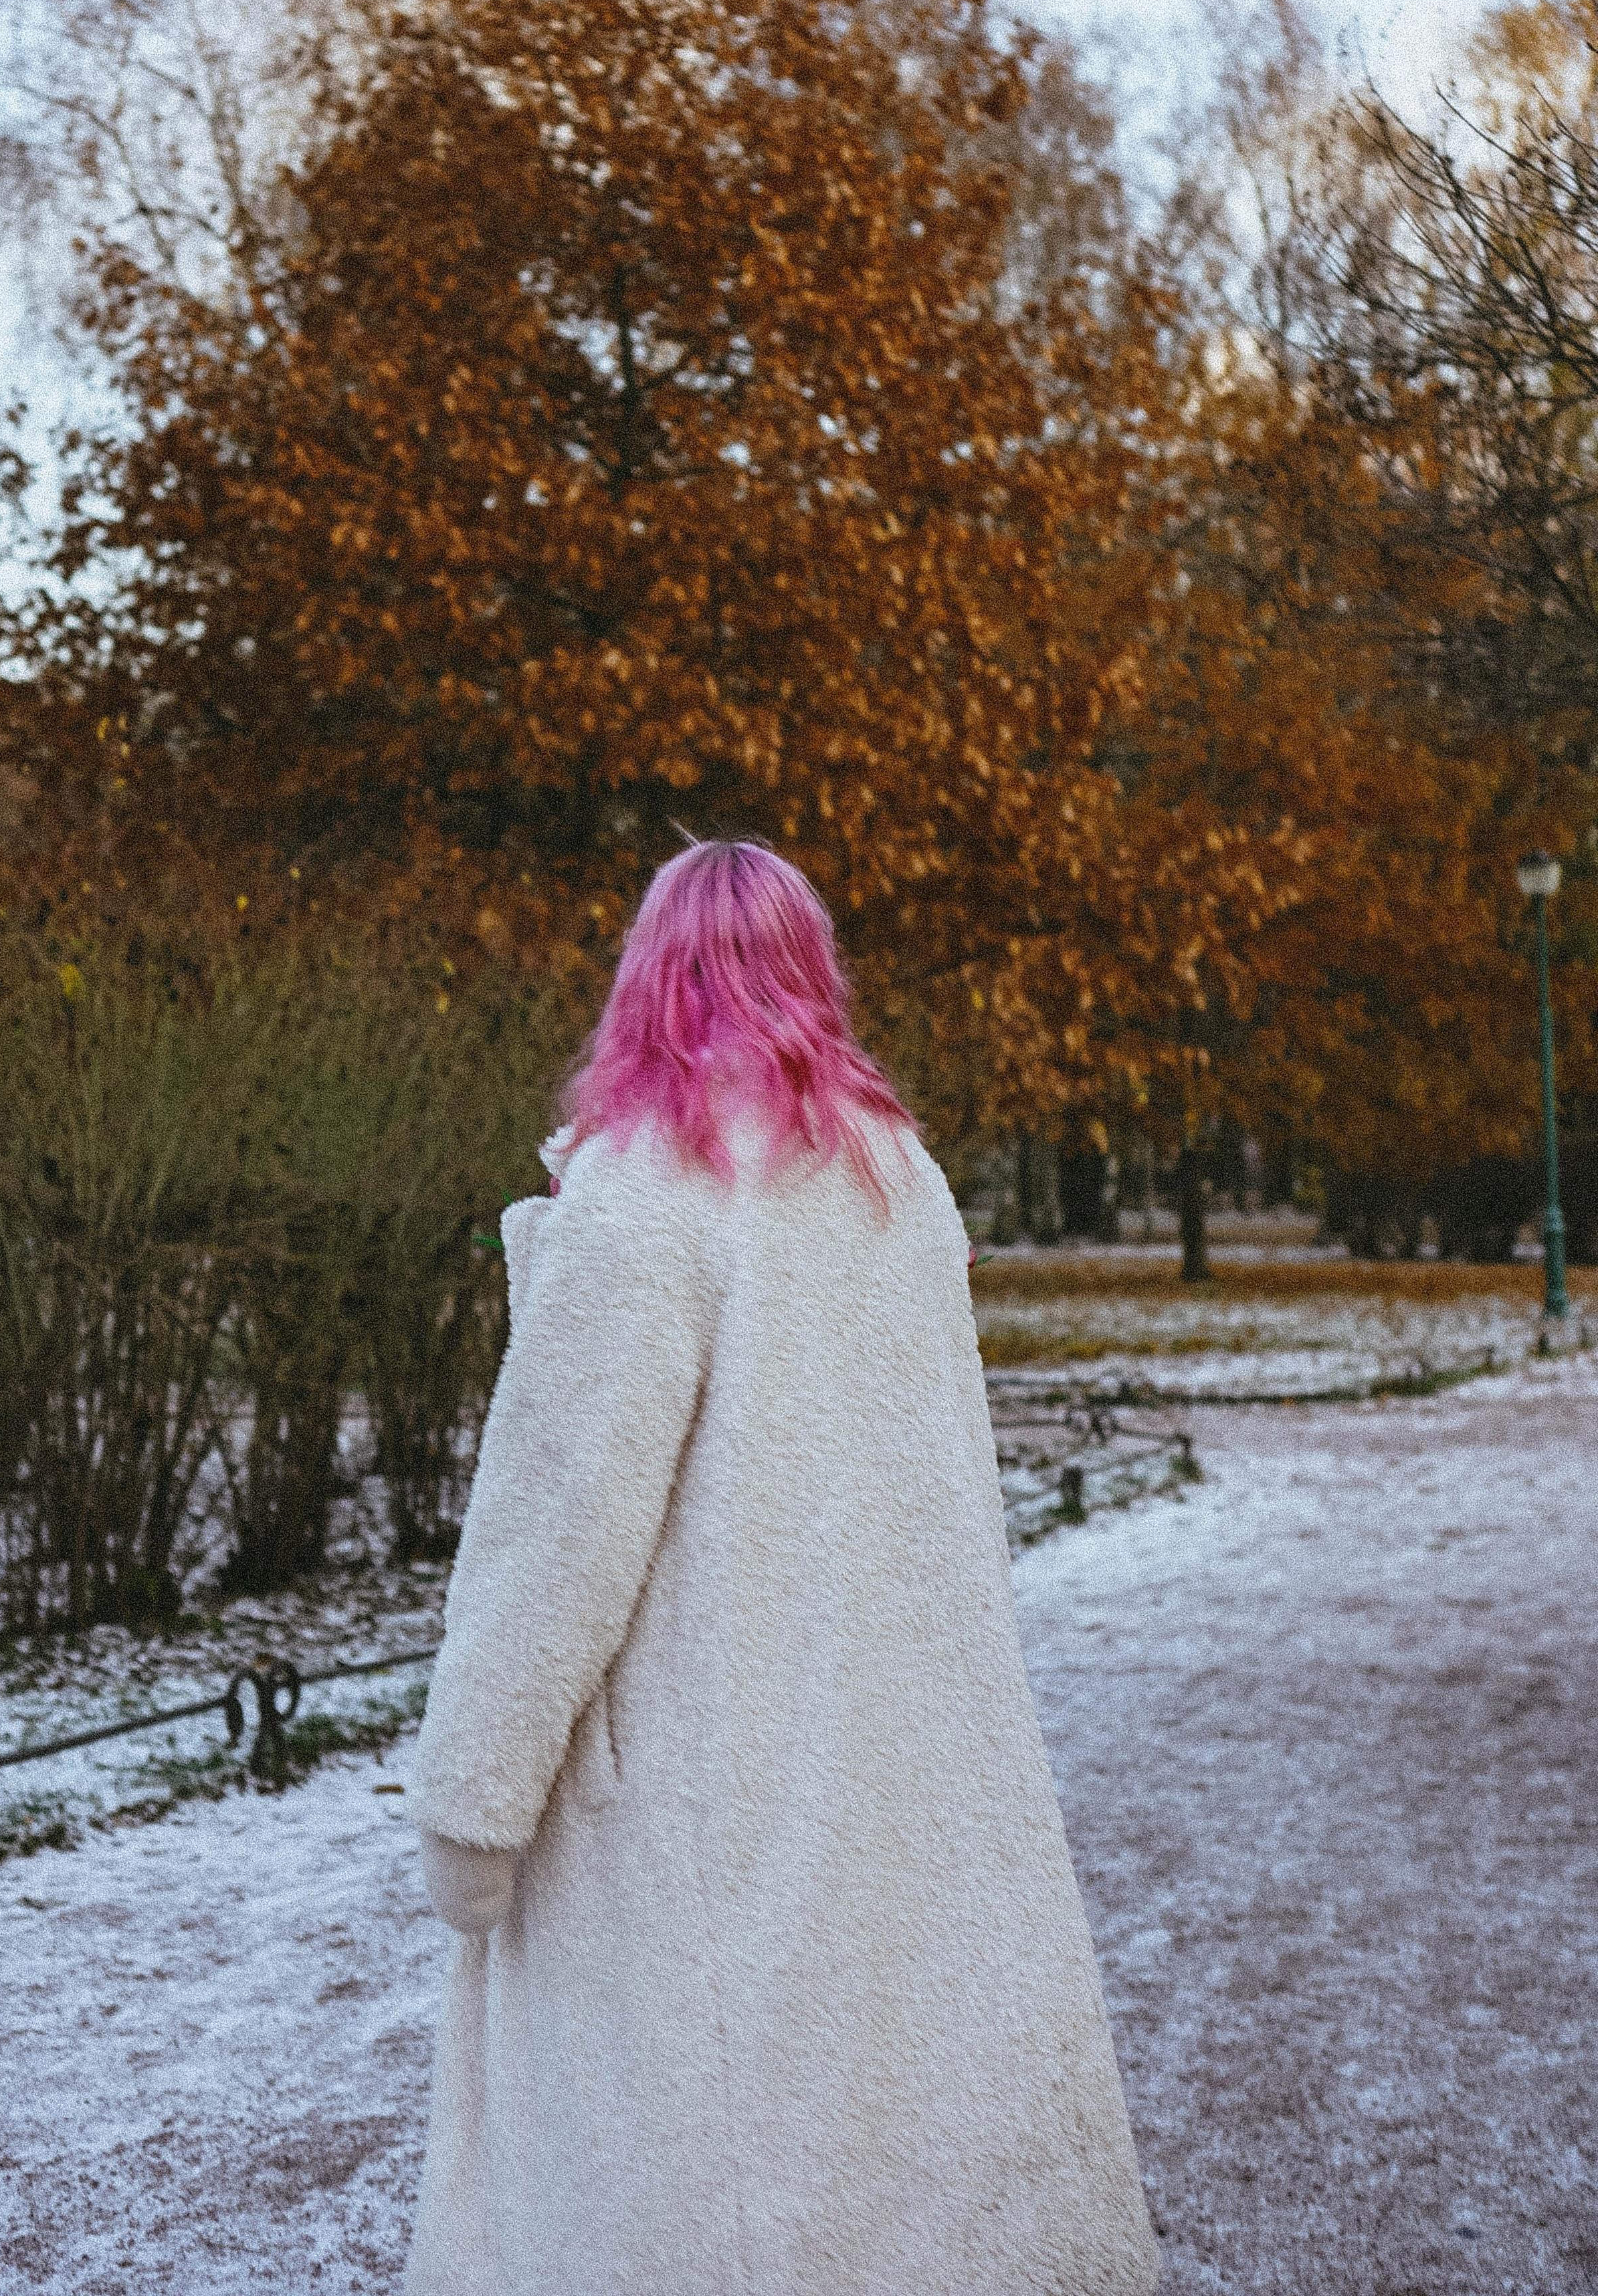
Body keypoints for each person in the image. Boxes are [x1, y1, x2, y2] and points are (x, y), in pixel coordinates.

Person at [403, 840, 1160, 2296]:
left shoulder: (642, 1195)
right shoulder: (899, 1183)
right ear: (815, 974)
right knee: (894, 2154)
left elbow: (558, 1532)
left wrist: (472, 1806)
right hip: (903, 1766)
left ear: (644, 977)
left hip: (695, 1796)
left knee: (702, 2180)